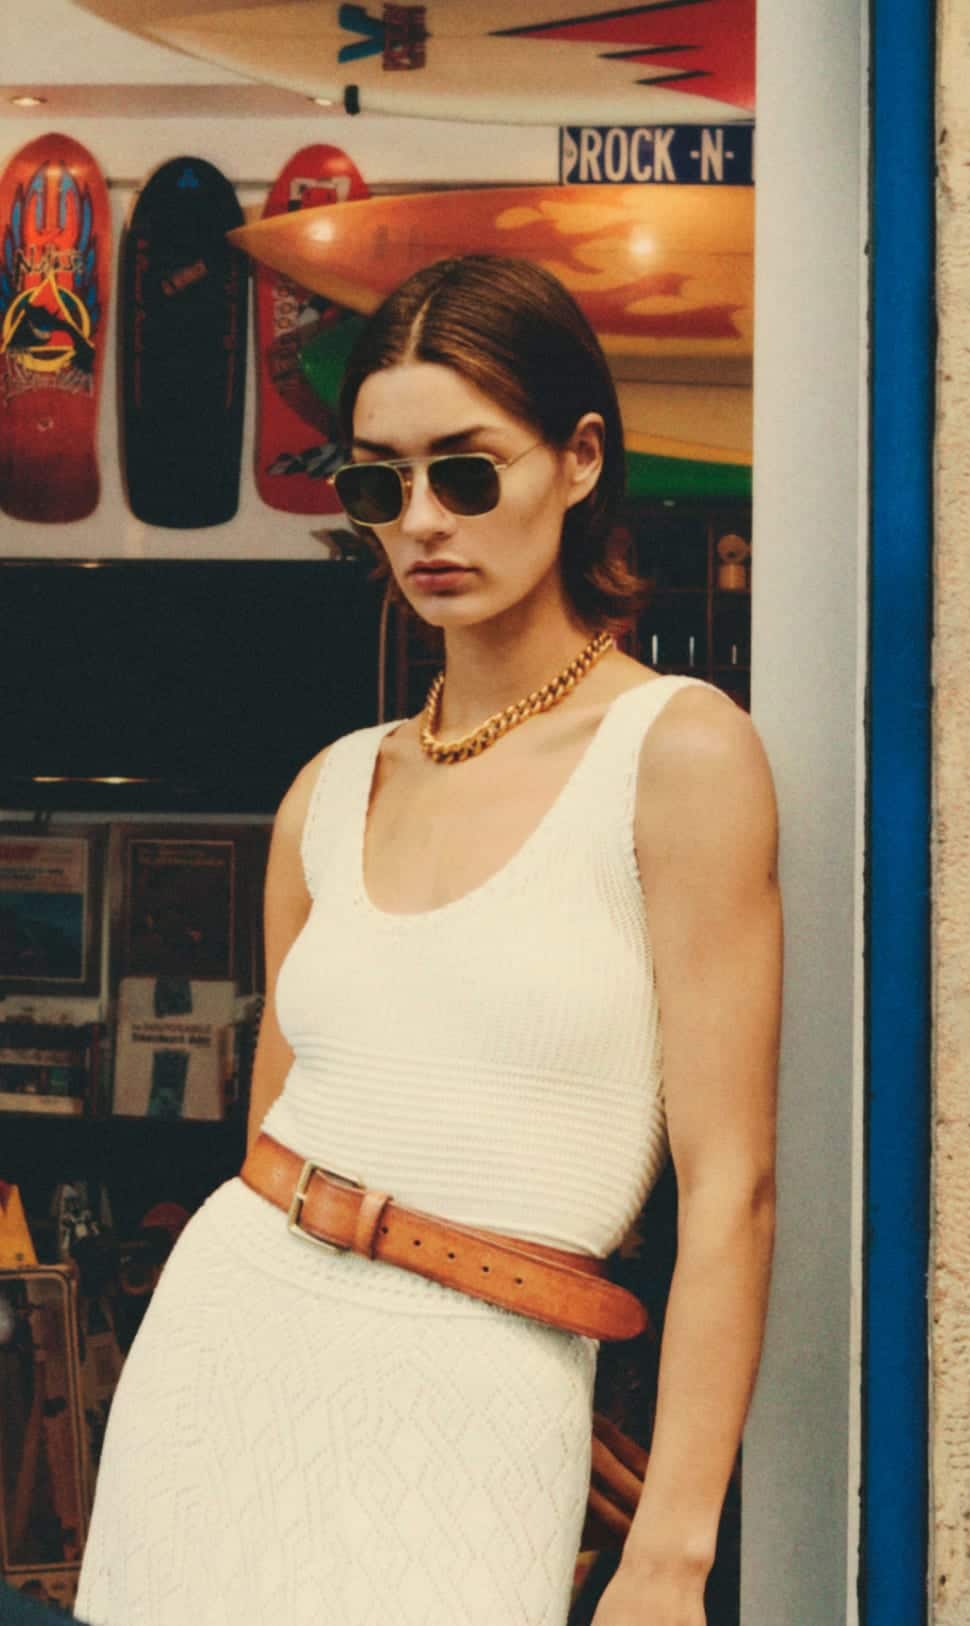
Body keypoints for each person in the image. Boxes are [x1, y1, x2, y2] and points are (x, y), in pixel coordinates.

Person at [72, 254, 781, 1626]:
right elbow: (266, 1125)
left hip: (490, 1383)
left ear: (579, 459)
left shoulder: (678, 752)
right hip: (229, 1350)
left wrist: (672, 1548)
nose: (420, 521)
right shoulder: (330, 788)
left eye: (465, 471)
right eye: (374, 482)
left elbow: (733, 1184)